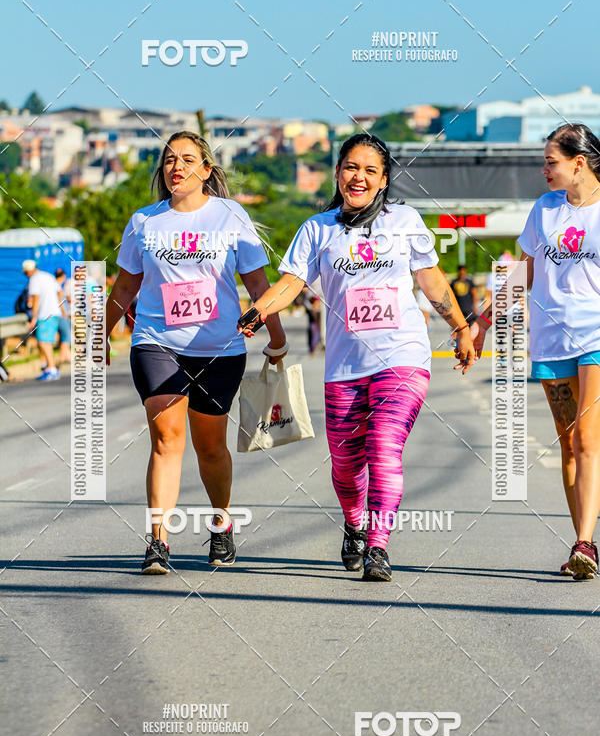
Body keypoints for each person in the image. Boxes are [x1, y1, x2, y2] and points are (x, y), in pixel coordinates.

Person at [239, 133, 475, 582]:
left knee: (384, 447)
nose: (359, 177)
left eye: (370, 170)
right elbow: (291, 283)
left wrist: (461, 327)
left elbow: (430, 278)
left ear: (384, 179)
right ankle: (355, 523)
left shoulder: (404, 220)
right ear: (337, 173)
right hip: (345, 364)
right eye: (351, 167)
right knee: (346, 464)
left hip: (402, 354)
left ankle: (378, 547)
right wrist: (260, 309)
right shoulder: (317, 229)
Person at [105, 131, 286, 574]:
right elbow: (125, 287)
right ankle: (158, 541)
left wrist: (276, 338)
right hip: (156, 342)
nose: (177, 167)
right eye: (169, 159)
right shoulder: (144, 222)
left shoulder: (231, 215)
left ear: (206, 170)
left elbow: (258, 284)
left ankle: (221, 524)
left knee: (211, 448)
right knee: (167, 440)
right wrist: (98, 336)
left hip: (219, 348)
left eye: (187, 159)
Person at [473, 123, 600, 580]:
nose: (544, 170)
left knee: (587, 440)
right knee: (568, 444)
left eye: (551, 162)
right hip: (550, 339)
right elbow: (522, 274)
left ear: (578, 163)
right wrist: (483, 322)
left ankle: (584, 542)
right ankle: (585, 543)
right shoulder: (545, 209)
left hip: (596, 338)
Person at [22, 260, 62, 381]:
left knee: (43, 342)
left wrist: (34, 317)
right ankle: (47, 367)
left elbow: (35, 298)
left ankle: (51, 369)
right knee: (45, 342)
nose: (26, 275)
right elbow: (59, 291)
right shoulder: (48, 276)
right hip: (54, 313)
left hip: (44, 314)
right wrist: (58, 305)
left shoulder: (34, 279)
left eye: (26, 273)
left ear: (29, 271)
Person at [54, 268, 72, 365]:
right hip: (61, 315)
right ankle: (62, 358)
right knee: (66, 335)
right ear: (63, 276)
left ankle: (67, 356)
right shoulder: (58, 288)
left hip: (56, 314)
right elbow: (59, 302)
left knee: (64, 335)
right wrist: (64, 313)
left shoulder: (53, 285)